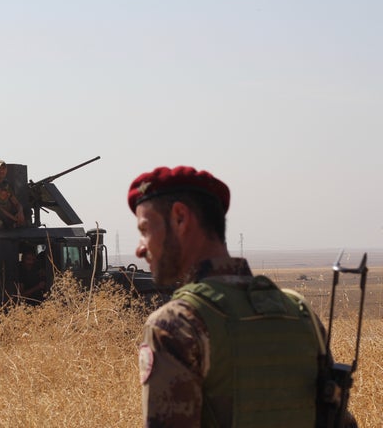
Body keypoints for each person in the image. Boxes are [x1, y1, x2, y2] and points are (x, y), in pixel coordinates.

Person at [127, 165, 355, 427]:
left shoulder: (176, 324)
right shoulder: (300, 313)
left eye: (145, 230)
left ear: (180, 218)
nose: (140, 248)